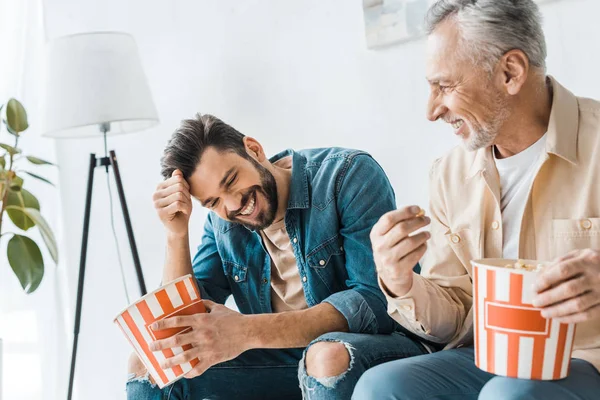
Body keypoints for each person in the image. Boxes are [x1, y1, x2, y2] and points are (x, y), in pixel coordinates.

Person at [354, 1, 600, 399]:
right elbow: (456, 311)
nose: (431, 110)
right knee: (380, 386)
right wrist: (400, 281)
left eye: (445, 86)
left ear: (510, 72)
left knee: (509, 395)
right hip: (489, 357)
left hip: (587, 359)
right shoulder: (450, 173)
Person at [126, 114, 427, 399]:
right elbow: (180, 326)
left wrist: (246, 332)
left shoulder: (347, 175)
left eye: (231, 181)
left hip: (373, 349)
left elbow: (375, 304)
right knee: (148, 364)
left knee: (325, 354)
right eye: (213, 201)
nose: (234, 204)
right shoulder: (222, 223)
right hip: (285, 360)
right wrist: (176, 235)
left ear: (254, 150)